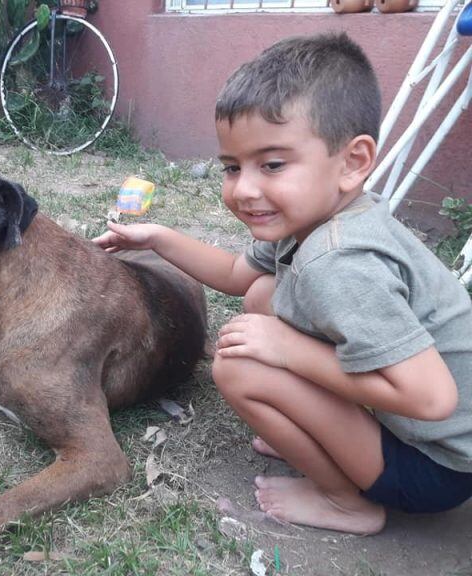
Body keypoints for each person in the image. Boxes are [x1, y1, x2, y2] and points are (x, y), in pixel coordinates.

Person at [93, 32, 472, 535]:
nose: (245, 188)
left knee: (240, 367)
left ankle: (346, 503)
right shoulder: (319, 215)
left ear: (354, 162)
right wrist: (157, 238)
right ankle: (320, 434)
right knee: (262, 295)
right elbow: (235, 276)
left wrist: (290, 351)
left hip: (434, 467)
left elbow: (431, 400)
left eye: (272, 164)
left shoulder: (339, 261)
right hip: (416, 429)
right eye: (232, 166)